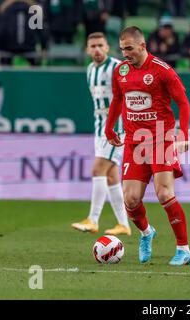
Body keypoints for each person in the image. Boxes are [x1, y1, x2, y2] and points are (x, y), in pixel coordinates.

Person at [104, 26, 190, 266]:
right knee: (130, 199)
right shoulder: (120, 71)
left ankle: (183, 250)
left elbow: (183, 103)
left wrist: (183, 134)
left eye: (130, 49)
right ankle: (146, 233)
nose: (125, 54)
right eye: (122, 49)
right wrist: (109, 127)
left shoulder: (163, 71)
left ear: (143, 46)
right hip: (134, 142)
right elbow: (117, 100)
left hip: (161, 139)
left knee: (164, 193)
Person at [71, 32, 131, 236]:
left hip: (116, 127)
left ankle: (93, 219)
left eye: (100, 45)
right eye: (92, 46)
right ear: (87, 50)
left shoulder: (117, 67)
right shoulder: (89, 69)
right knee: (112, 176)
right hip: (99, 126)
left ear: (107, 47)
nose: (96, 49)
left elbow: (128, 95)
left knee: (98, 170)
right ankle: (123, 224)